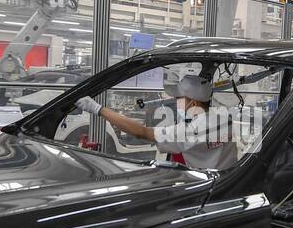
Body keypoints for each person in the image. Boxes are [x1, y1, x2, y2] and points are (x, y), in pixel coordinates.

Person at [77, 73, 236, 170]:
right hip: (226, 180)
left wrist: (97, 109)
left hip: (201, 188)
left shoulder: (186, 132)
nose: (176, 102)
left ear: (193, 103)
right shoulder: (225, 119)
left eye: (179, 98)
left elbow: (141, 132)